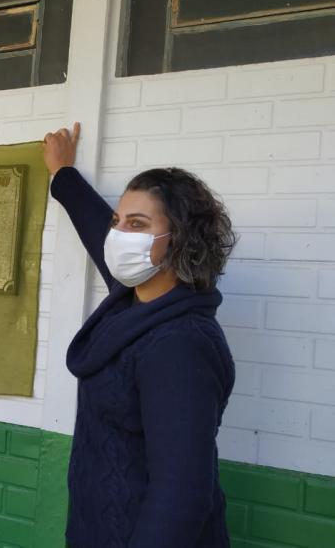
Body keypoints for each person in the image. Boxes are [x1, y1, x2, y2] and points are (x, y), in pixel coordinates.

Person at [43, 123, 236, 548]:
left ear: (177, 240)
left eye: (137, 223)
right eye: (118, 221)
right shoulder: (133, 302)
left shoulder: (181, 345)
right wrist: (63, 175)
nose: (118, 236)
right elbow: (98, 234)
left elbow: (181, 496)